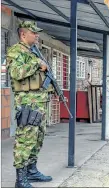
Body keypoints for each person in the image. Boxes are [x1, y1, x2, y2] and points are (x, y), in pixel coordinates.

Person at [6, 21, 53, 188]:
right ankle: (20, 178)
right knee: (25, 140)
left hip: (39, 103)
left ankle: (31, 171)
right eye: (34, 33)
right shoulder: (15, 51)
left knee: (37, 138)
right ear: (23, 34)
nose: (37, 35)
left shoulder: (34, 52)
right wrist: (36, 64)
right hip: (27, 103)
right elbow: (15, 73)